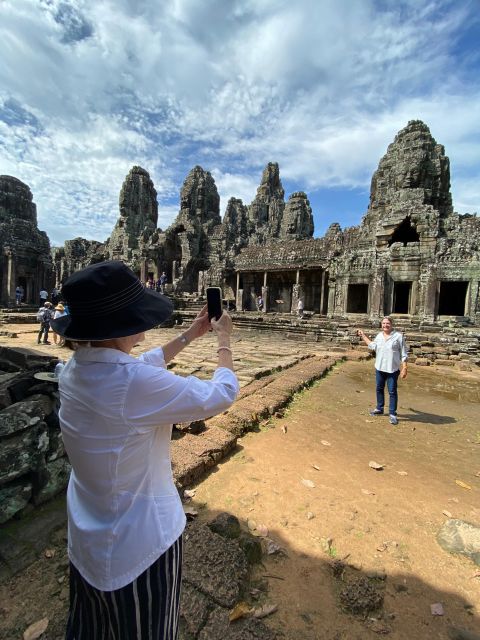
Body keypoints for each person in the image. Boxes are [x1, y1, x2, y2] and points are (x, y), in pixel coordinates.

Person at [50, 261, 238, 639]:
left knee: (91, 629)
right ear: (125, 322)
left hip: (87, 540)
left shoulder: (73, 371)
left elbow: (136, 368)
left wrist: (189, 335)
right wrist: (223, 342)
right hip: (141, 548)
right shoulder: (132, 385)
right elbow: (222, 393)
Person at [357, 316, 408, 425]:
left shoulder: (398, 337)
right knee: (379, 388)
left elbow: (404, 354)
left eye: (387, 323)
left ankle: (392, 413)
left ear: (391, 324)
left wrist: (404, 368)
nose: (385, 325)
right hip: (380, 368)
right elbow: (372, 346)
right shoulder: (379, 336)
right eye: (383, 323)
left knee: (392, 391)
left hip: (392, 369)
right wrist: (363, 335)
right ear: (381, 325)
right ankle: (379, 408)